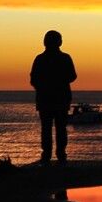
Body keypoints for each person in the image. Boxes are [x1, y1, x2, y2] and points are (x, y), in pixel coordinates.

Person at [30, 30, 77, 164]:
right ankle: (60, 154)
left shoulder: (40, 59)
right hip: (60, 98)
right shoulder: (65, 58)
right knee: (60, 128)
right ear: (59, 42)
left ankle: (47, 155)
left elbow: (33, 80)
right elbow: (73, 76)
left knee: (47, 128)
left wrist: (43, 86)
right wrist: (60, 81)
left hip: (46, 99)